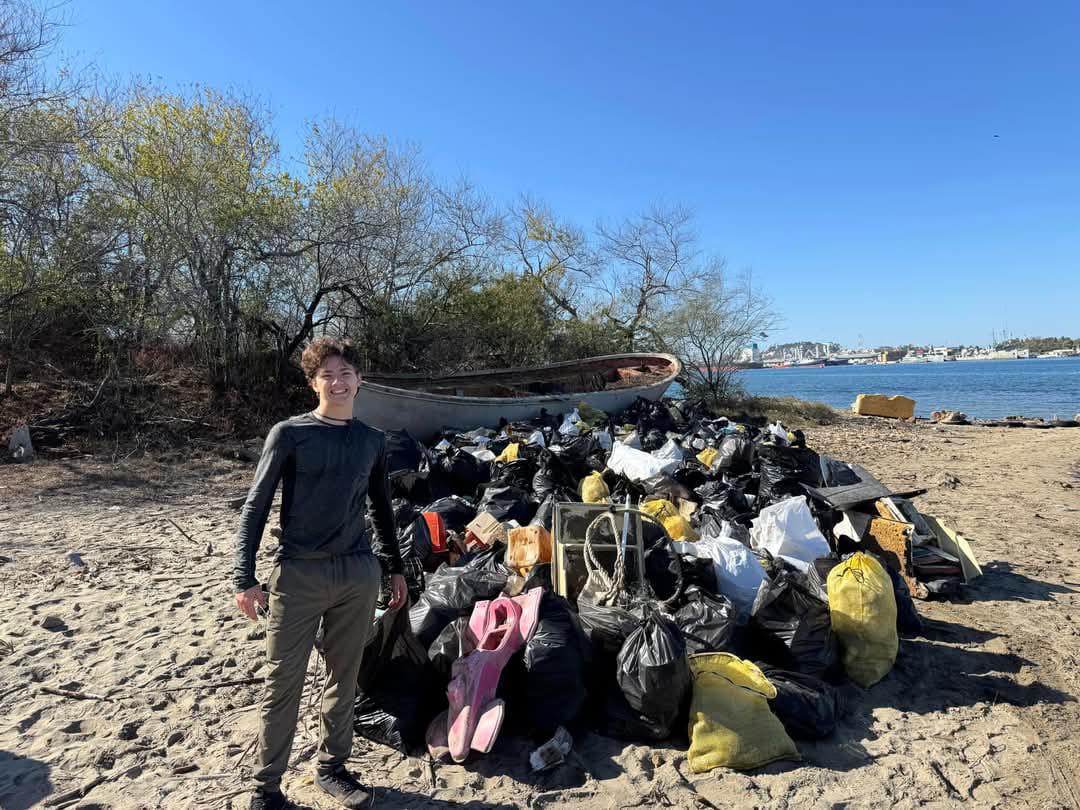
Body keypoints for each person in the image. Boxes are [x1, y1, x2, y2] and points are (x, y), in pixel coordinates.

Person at [233, 337, 407, 810]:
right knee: (281, 681)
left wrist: (394, 567)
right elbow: (256, 506)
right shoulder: (289, 434)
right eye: (327, 374)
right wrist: (243, 578)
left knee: (344, 677)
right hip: (298, 575)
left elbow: (382, 509)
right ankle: (266, 790)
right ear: (314, 383)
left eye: (346, 371)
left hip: (357, 573)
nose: (338, 380)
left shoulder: (371, 439)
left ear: (360, 380)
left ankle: (333, 768)